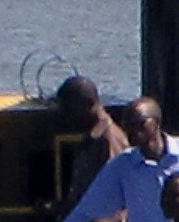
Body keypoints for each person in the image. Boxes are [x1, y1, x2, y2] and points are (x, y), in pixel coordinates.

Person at [46, 97, 179, 222]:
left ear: (156, 123)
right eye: (128, 125)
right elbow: (89, 210)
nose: (132, 130)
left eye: (139, 124)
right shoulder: (123, 165)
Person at [53, 75, 127, 209]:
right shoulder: (93, 138)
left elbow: (112, 194)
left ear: (88, 104)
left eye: (68, 109)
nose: (64, 116)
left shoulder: (109, 139)